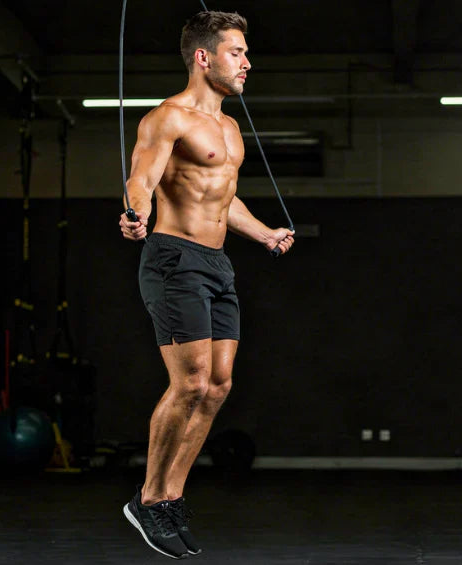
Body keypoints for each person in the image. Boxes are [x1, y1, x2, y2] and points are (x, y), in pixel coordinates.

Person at [118, 10, 295, 560]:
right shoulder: (166, 118)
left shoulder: (230, 128)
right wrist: (134, 213)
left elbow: (223, 198)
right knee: (190, 383)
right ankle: (147, 500)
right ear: (204, 57)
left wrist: (264, 233)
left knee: (218, 386)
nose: (247, 62)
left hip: (217, 265)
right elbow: (141, 177)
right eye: (237, 52)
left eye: (245, 53)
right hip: (173, 258)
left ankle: (171, 497)